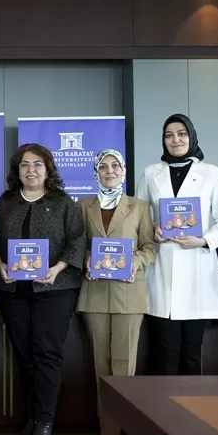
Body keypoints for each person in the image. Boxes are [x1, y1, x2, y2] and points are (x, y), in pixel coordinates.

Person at [0, 143, 84, 435]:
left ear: (48, 169)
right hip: (13, 290)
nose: (31, 170)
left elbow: (77, 241)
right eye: (25, 165)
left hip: (55, 289)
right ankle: (30, 417)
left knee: (46, 353)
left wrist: (57, 269)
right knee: (24, 355)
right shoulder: (5, 203)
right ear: (17, 171)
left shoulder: (62, 202)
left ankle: (45, 421)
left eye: (37, 164)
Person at [136, 114, 218, 375]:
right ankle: (163, 402)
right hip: (162, 267)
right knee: (164, 351)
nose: (176, 140)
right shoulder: (150, 173)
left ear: (191, 136)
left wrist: (203, 240)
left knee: (192, 351)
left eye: (181, 134)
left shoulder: (211, 173)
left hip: (197, 269)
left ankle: (191, 401)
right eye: (169, 135)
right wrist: (152, 230)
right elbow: (138, 217)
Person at [77, 149, 158, 408]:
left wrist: (135, 261)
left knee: (124, 363)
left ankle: (124, 422)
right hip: (94, 293)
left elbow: (150, 247)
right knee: (100, 363)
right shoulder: (82, 206)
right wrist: (86, 257)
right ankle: (106, 424)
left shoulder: (139, 206)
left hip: (128, 293)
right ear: (96, 172)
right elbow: (75, 245)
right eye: (103, 166)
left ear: (123, 171)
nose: (109, 171)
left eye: (115, 166)